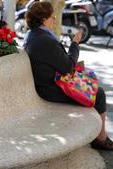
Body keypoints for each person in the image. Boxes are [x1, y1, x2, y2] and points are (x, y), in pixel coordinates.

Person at [23, 1, 113, 151]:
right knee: (99, 93)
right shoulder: (45, 40)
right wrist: (75, 43)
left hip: (46, 83)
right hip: (50, 88)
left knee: (90, 79)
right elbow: (68, 67)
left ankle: (98, 135)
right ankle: (100, 138)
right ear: (44, 19)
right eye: (53, 17)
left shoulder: (33, 34)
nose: (54, 19)